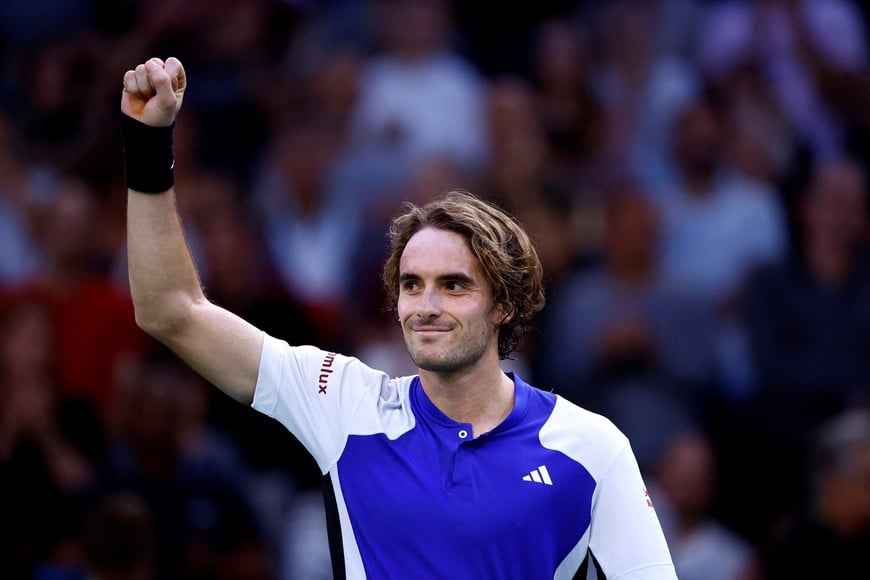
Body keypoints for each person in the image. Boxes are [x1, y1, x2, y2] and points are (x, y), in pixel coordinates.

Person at [120, 56, 675, 579]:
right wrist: (149, 144)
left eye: (454, 285)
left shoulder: (591, 446)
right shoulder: (342, 403)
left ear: (505, 304)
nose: (426, 306)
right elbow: (172, 310)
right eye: (413, 285)